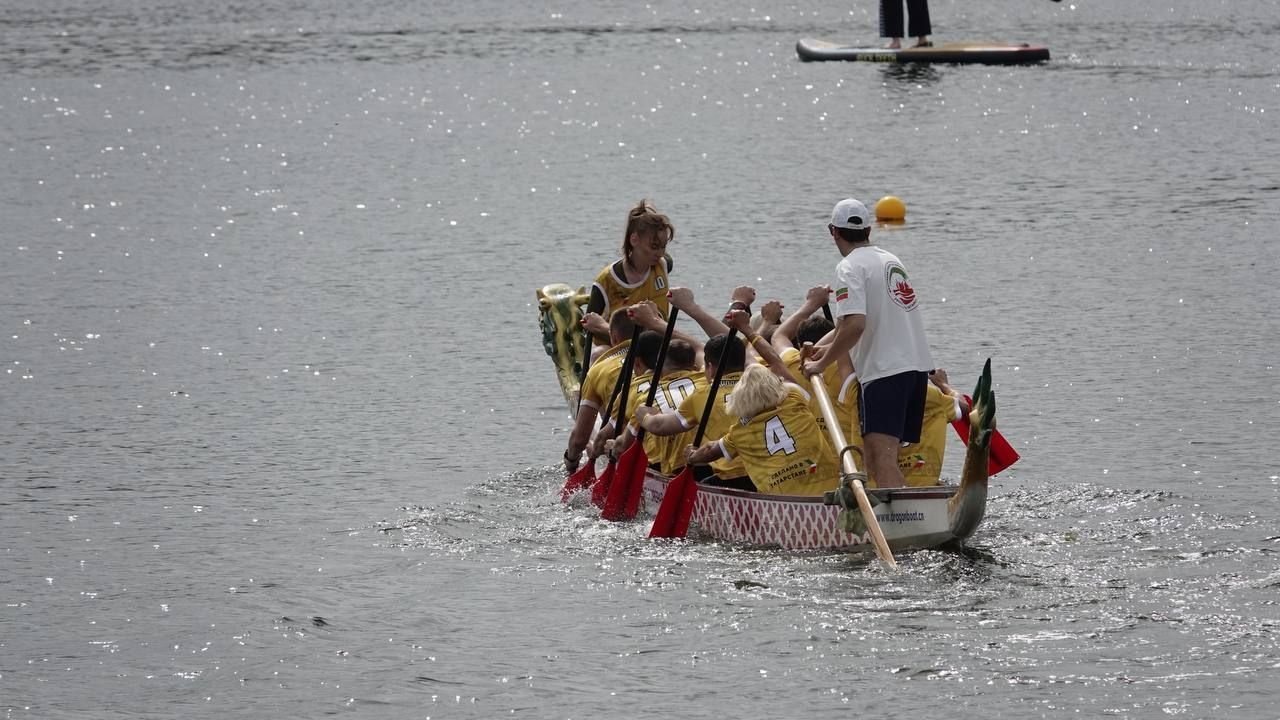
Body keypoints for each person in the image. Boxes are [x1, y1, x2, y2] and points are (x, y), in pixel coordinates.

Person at [804, 197, 934, 490]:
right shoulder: (891, 259)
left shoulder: (848, 267)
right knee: (883, 459)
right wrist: (826, 349)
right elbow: (868, 323)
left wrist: (820, 364)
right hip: (915, 369)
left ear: (832, 231)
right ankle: (905, 519)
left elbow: (855, 324)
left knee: (880, 461)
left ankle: (905, 531)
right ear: (868, 230)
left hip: (885, 372)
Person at [684, 364, 839, 496]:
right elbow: (783, 375)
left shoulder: (738, 432)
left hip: (783, 503)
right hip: (830, 493)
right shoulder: (794, 399)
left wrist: (692, 457)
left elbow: (710, 451)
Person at [636, 332, 754, 490]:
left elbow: (660, 427)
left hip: (733, 477)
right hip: (764, 473)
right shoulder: (762, 386)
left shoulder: (704, 394)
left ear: (710, 369)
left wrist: (645, 417)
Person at [597, 333, 705, 477]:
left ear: (658, 368)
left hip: (674, 467)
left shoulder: (647, 398)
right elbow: (701, 348)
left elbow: (623, 444)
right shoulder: (707, 383)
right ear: (695, 367)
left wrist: (613, 448)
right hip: (709, 460)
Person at [584, 200, 675, 346]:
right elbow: (587, 324)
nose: (660, 253)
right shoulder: (606, 281)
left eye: (663, 247)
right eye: (654, 246)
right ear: (634, 240)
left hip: (655, 348)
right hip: (616, 352)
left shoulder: (663, 264)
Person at [563, 307, 636, 473]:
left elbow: (579, 439)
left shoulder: (599, 369)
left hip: (624, 449)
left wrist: (571, 460)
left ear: (613, 337)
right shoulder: (665, 359)